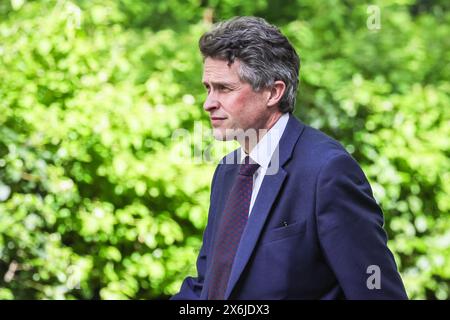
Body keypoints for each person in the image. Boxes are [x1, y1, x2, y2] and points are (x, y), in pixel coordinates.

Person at [172, 16, 408, 300]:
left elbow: (377, 293)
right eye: (207, 88)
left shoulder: (327, 170)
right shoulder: (227, 170)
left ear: (273, 91)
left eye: (224, 88)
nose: (208, 103)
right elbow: (207, 286)